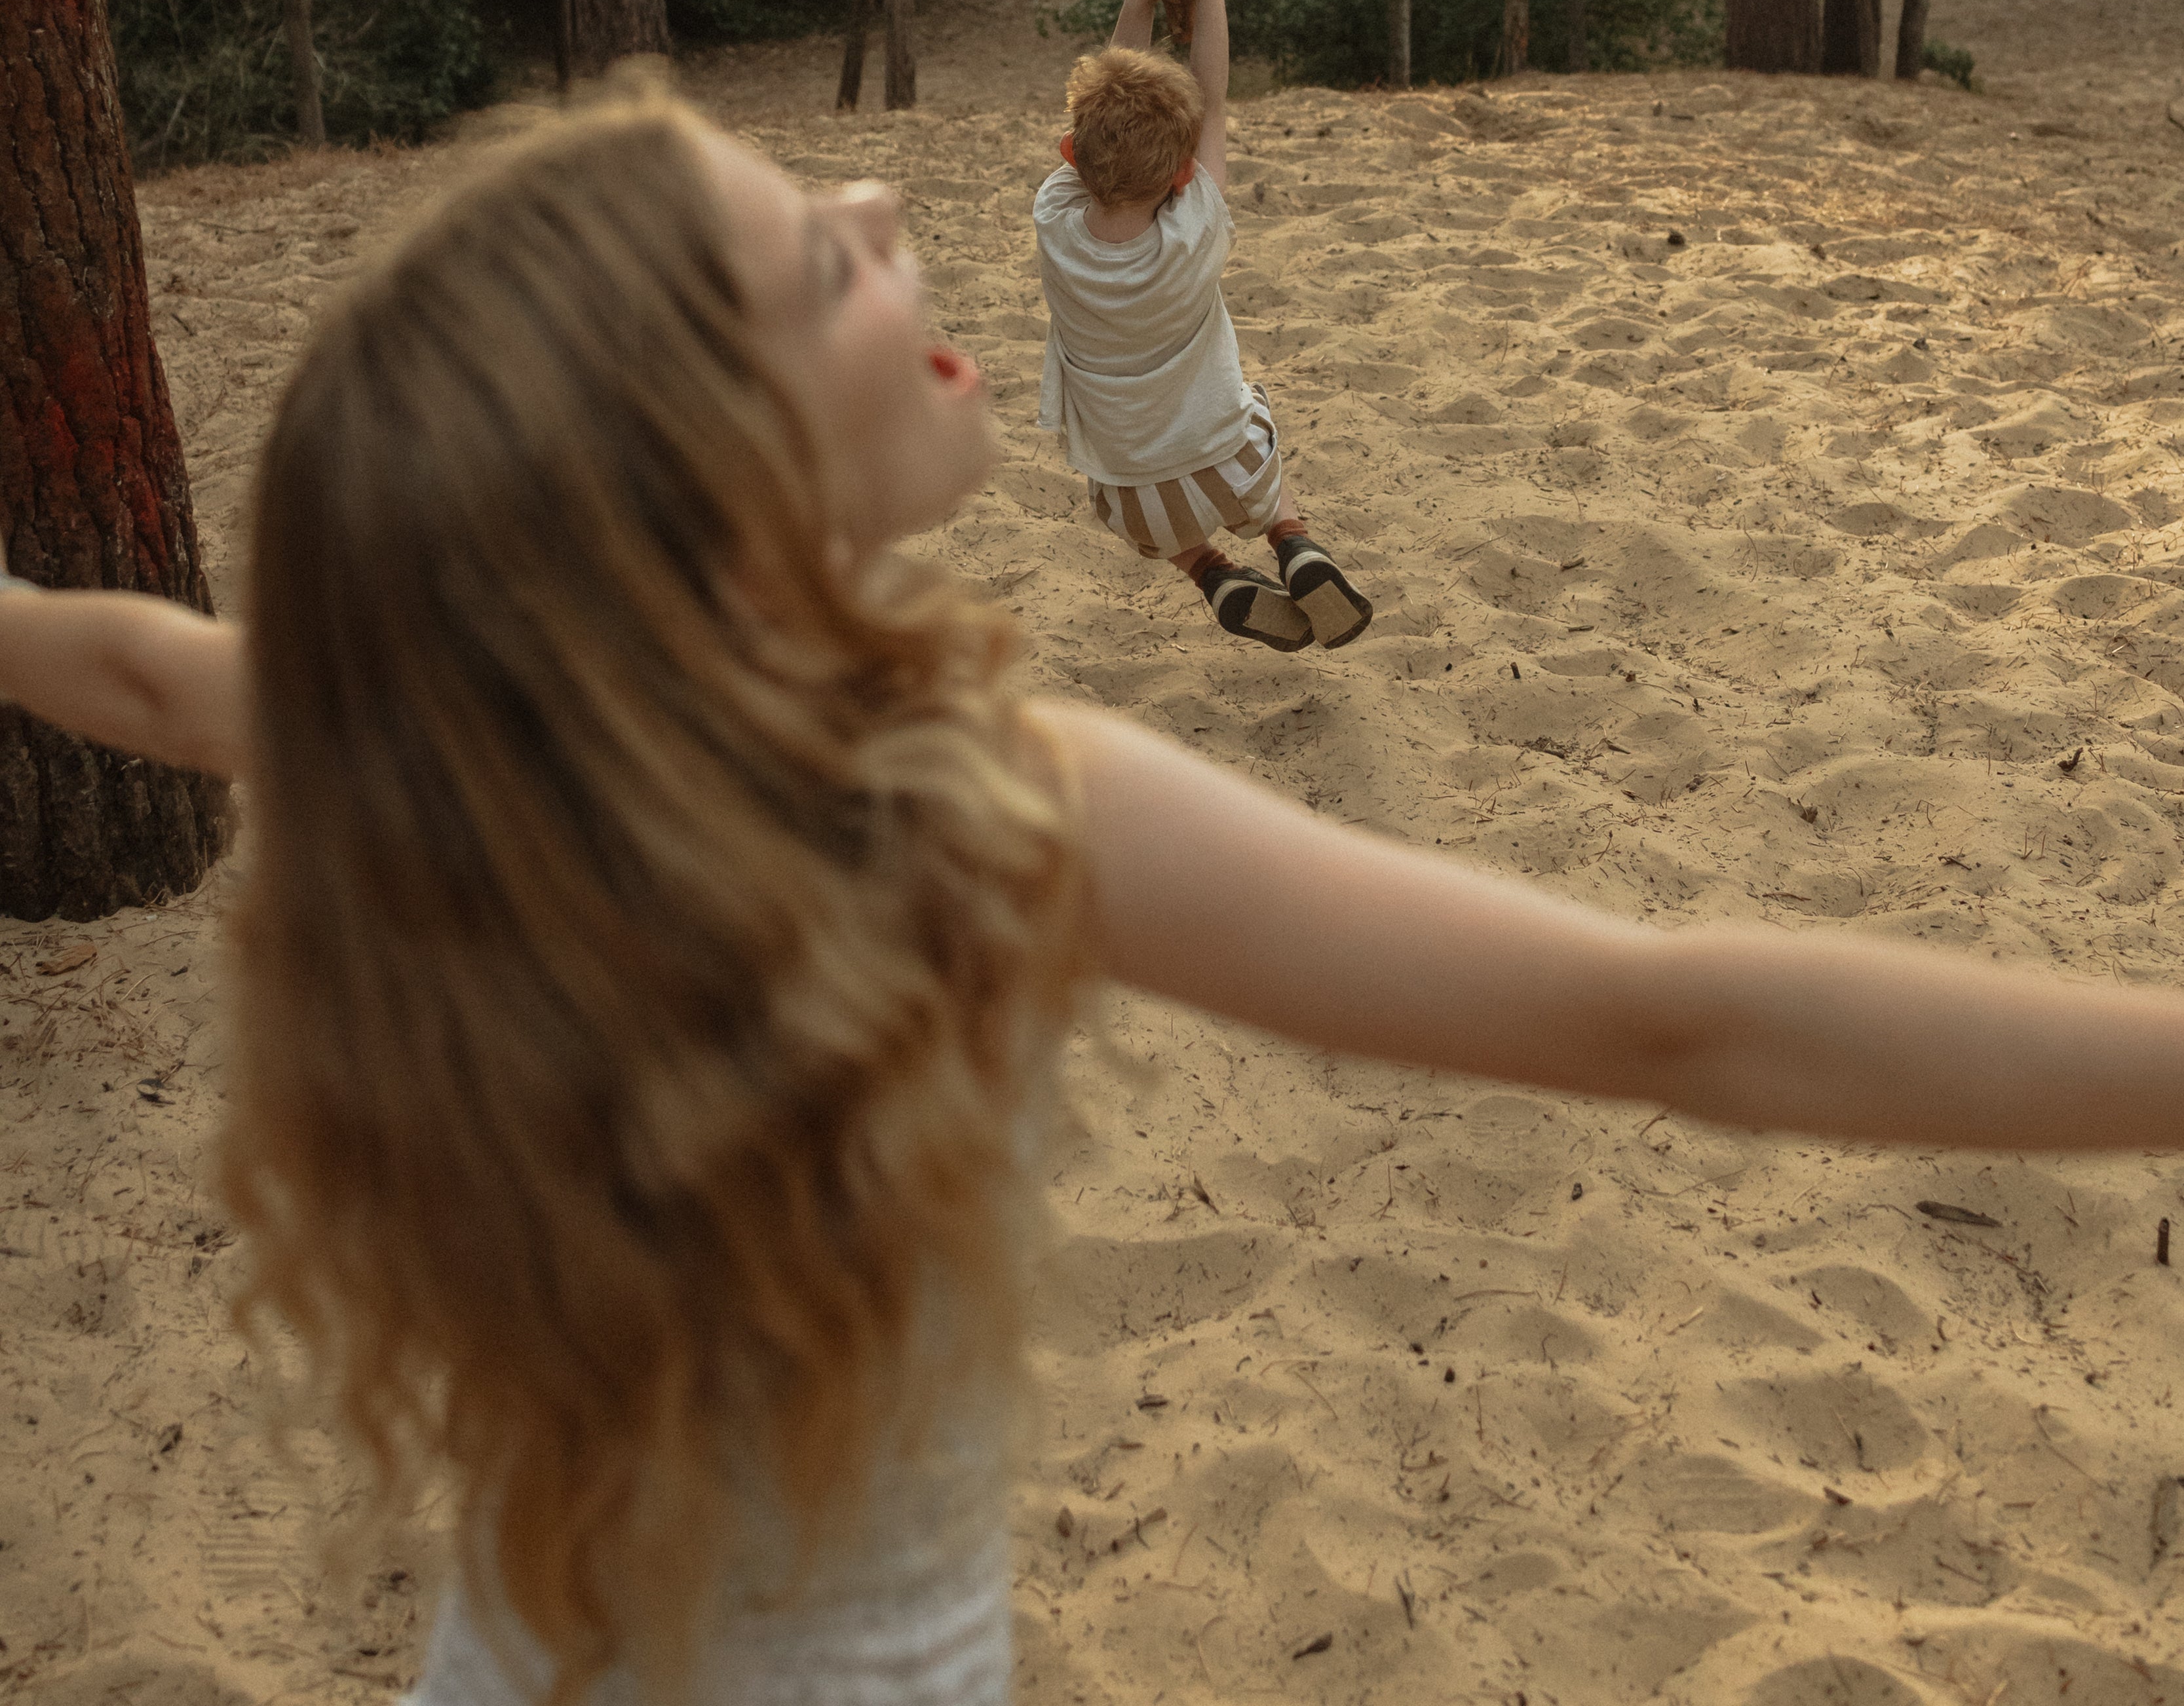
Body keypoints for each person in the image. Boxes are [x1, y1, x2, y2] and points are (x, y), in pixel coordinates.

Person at [8, 96, 2184, 1706]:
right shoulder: (987, 818)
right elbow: (1679, 1024)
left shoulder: (489, 748)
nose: (877, 205)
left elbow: (129, 666)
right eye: (819, 260)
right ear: (713, 478)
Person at [1033, 0, 1371, 655]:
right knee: (1253, 414)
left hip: (1130, 499)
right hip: (1232, 470)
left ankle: (1212, 572)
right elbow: (1212, 100)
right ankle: (1294, 540)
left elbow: (1099, 110)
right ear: (1185, 172)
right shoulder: (1196, 229)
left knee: (1143, 507)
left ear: (1071, 152)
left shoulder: (1055, 220)